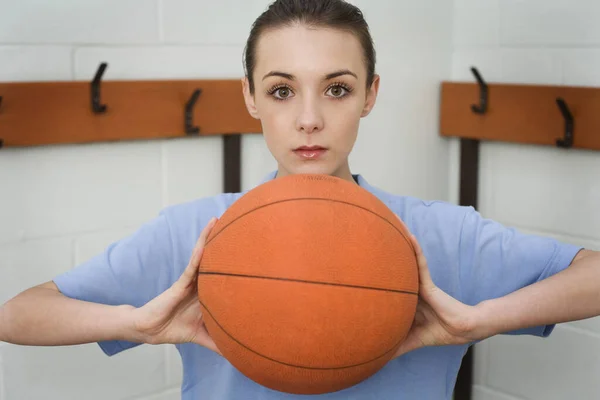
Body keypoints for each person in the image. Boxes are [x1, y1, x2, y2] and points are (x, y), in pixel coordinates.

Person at [1, 0, 599, 399]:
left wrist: (478, 318)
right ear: (251, 98)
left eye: (337, 89)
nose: (309, 120)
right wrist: (138, 322)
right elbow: (17, 314)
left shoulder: (441, 236)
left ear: (370, 95)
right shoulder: (196, 235)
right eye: (282, 90)